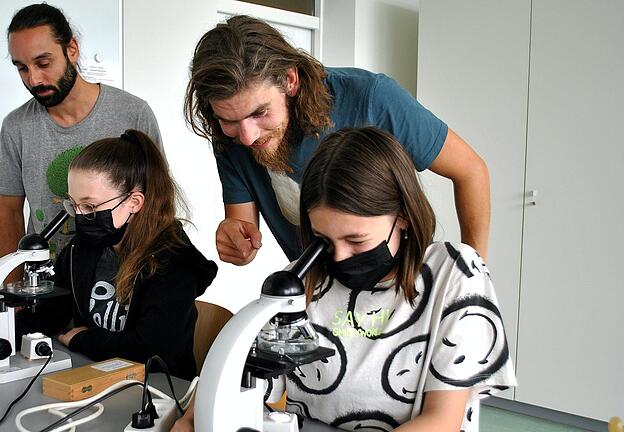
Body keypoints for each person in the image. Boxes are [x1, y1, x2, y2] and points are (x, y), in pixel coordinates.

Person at [172, 127, 514, 431]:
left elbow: (441, 420)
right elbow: (238, 374)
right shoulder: (302, 279)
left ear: (404, 216)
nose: (338, 258)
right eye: (324, 241)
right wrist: (193, 418)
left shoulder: (453, 274)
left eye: (356, 240)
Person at [184, 15, 490, 266]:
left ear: (290, 80)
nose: (248, 136)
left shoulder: (373, 98)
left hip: (403, 287)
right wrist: (234, 238)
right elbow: (244, 230)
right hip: (321, 296)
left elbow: (471, 171)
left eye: (260, 112)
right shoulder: (232, 136)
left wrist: (472, 273)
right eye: (229, 120)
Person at [17, 130, 217, 380]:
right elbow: (52, 312)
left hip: (158, 391)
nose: (80, 216)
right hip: (96, 377)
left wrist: (84, 340)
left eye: (90, 206)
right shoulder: (82, 248)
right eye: (74, 204)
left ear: (134, 202)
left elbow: (154, 351)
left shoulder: (174, 261)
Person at [0, 3, 162, 272]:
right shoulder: (16, 126)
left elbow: (157, 199)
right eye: (22, 68)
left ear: (72, 49)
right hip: (45, 286)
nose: (34, 79)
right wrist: (13, 287)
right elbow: (9, 211)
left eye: (43, 63)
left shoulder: (133, 113)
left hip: (121, 282)